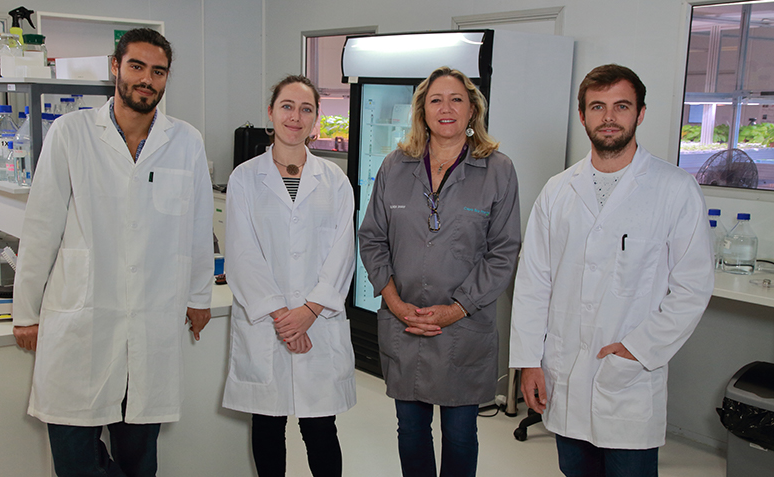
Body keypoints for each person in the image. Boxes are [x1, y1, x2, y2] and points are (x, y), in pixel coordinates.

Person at [12, 28, 214, 477]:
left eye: (158, 72)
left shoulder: (186, 142)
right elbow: (41, 228)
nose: (147, 79)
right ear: (115, 67)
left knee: (140, 456)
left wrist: (200, 297)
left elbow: (199, 229)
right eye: (137, 67)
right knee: (74, 456)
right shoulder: (71, 133)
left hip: (150, 320)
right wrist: (25, 311)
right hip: (83, 318)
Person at [509, 64, 714, 476]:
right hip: (564, 372)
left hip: (630, 377)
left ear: (639, 114)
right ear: (582, 115)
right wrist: (529, 361)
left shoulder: (674, 189)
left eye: (621, 106)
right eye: (597, 107)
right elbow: (534, 282)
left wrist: (639, 348)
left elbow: (692, 287)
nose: (608, 117)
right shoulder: (558, 190)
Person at [358, 66, 521, 477]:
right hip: (405, 324)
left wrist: (456, 308)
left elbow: (504, 251)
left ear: (472, 111)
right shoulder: (395, 166)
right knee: (410, 432)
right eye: (436, 100)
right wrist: (394, 302)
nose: (445, 108)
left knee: (461, 434)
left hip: (464, 329)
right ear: (422, 110)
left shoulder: (498, 170)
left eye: (456, 100)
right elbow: (373, 238)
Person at [221, 75, 355, 477]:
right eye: (287, 107)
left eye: (306, 109)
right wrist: (283, 316)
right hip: (269, 323)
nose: (295, 117)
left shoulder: (334, 180)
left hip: (317, 320)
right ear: (271, 113)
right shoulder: (245, 178)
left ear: (316, 118)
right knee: (267, 423)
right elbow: (242, 254)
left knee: (320, 427)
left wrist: (310, 310)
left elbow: (343, 251)